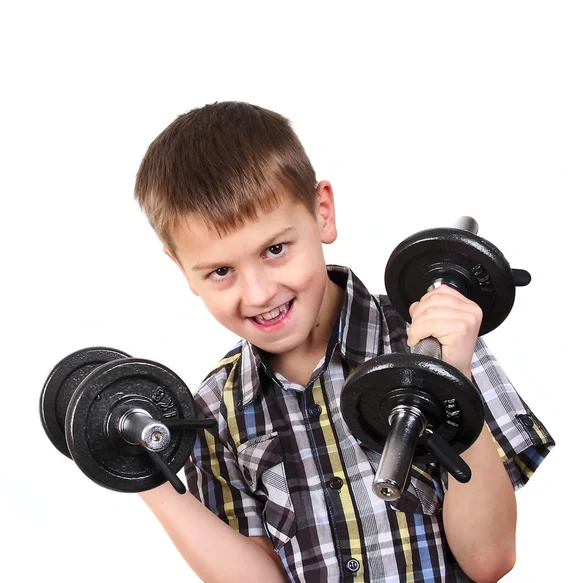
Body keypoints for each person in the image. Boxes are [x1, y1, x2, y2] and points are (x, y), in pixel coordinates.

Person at [133, 101, 554, 583]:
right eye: (221, 271)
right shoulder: (211, 411)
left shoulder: (436, 338)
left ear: (323, 212)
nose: (259, 293)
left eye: (275, 249)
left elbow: (491, 560)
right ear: (183, 269)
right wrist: (143, 476)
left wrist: (451, 380)